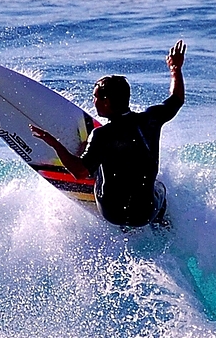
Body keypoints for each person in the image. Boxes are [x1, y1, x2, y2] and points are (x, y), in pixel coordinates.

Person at [30, 40, 186, 227]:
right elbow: (177, 99)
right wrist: (175, 69)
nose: (93, 101)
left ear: (106, 101)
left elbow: (78, 172)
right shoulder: (151, 119)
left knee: (95, 164)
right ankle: (162, 226)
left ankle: (91, 159)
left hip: (112, 213)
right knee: (159, 187)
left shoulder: (102, 135)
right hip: (145, 214)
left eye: (95, 96)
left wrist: (54, 143)